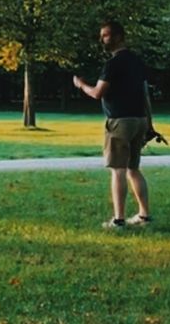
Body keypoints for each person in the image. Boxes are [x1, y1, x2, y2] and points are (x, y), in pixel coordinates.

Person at [72, 18, 153, 229]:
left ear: (118, 36)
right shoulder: (137, 61)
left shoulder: (113, 63)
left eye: (105, 35)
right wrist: (150, 125)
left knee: (118, 170)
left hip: (120, 122)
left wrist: (81, 85)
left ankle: (118, 220)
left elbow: (98, 93)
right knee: (133, 169)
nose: (102, 40)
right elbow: (145, 95)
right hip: (139, 120)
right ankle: (144, 215)